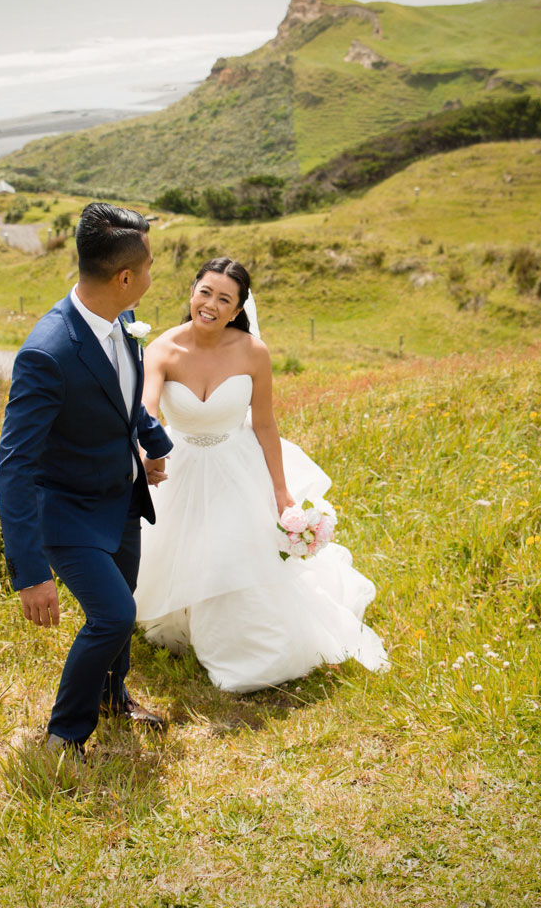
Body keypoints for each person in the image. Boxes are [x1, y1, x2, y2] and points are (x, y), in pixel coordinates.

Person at [135, 257, 388, 692]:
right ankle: (191, 624)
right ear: (192, 291)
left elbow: (265, 424)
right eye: (205, 292)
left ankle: (243, 651)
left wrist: (281, 491)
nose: (210, 304)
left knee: (233, 553)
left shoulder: (253, 353)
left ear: (238, 310)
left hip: (237, 466)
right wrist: (145, 455)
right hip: (181, 469)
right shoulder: (162, 349)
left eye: (224, 299)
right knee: (190, 551)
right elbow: (148, 412)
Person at [0, 202, 174, 758]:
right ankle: (63, 736)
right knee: (113, 615)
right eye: (147, 267)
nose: (151, 276)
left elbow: (119, 399)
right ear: (125, 277)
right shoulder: (48, 352)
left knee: (125, 606)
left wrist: (153, 438)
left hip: (119, 498)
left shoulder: (122, 321)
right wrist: (30, 573)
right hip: (68, 512)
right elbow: (13, 465)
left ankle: (111, 695)